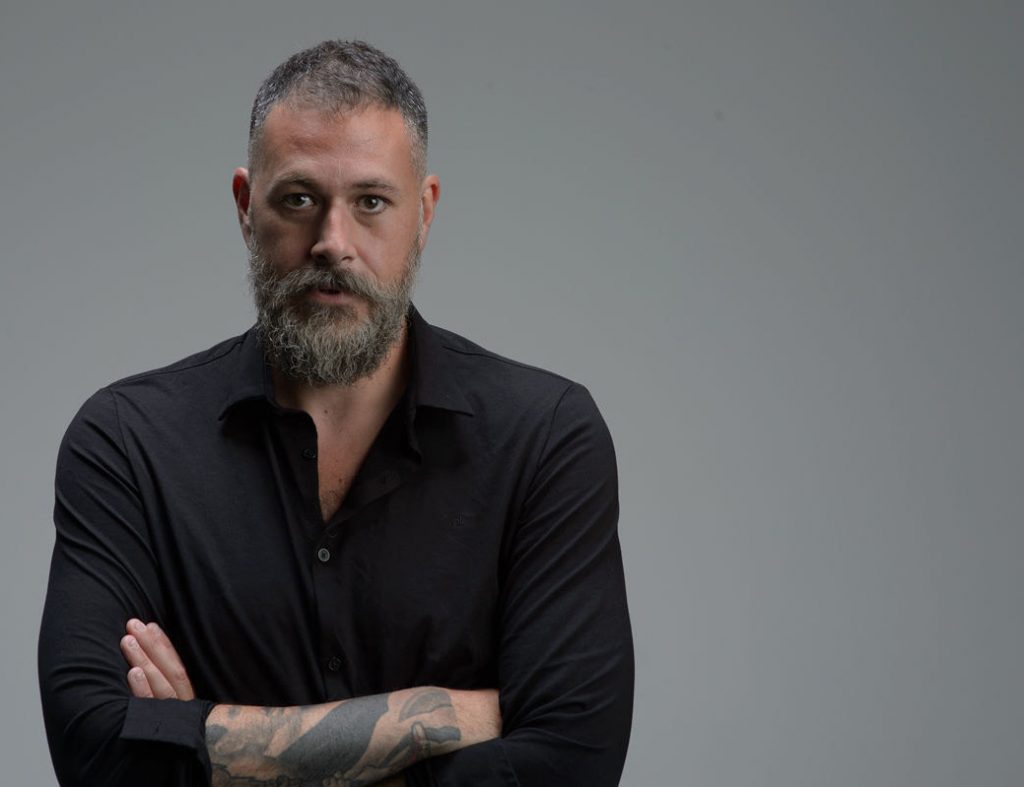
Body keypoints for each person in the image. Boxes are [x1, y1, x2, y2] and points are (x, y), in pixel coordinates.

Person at [38, 40, 633, 786]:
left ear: (424, 212)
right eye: (298, 199)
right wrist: (430, 716)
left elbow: (573, 763)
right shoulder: (127, 442)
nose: (333, 243)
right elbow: (96, 752)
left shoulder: (546, 437)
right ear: (245, 206)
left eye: (371, 202)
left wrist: (204, 745)